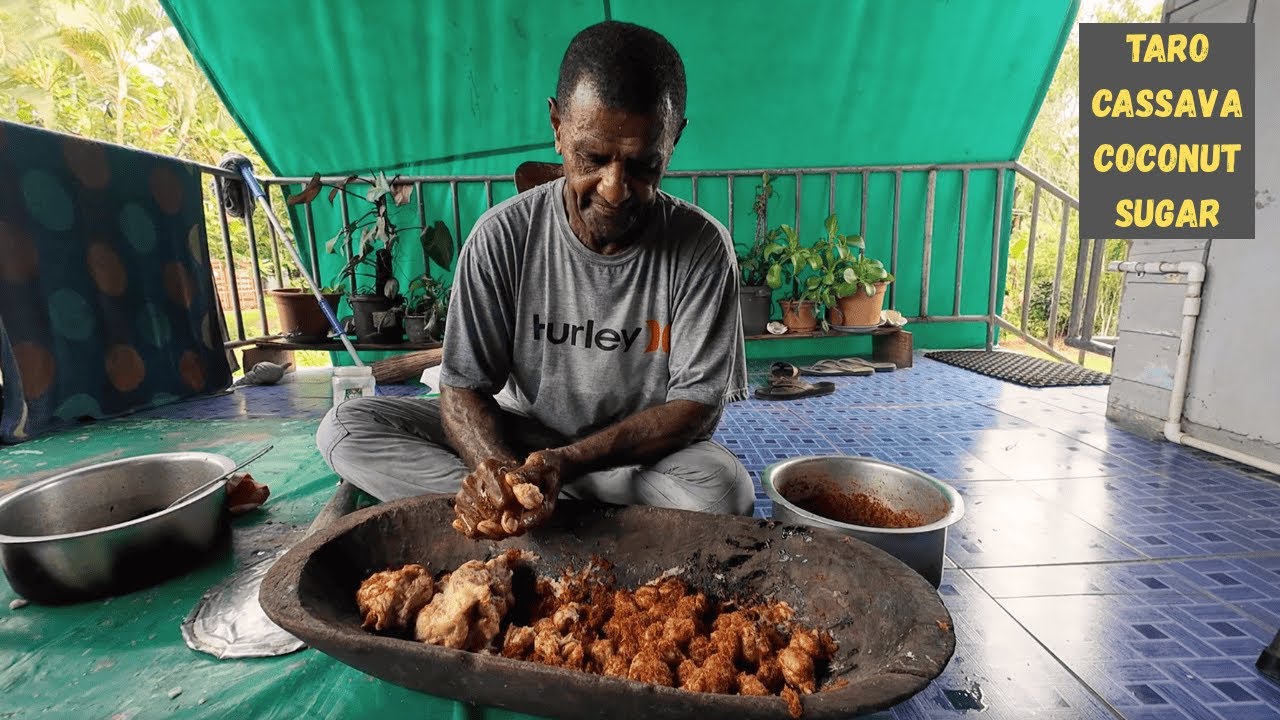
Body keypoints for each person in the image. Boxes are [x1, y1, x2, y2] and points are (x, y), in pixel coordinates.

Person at [315, 20, 754, 539]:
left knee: (723, 491)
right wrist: (501, 476)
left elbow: (696, 410)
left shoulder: (702, 247)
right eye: (593, 158)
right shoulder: (502, 236)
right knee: (346, 429)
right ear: (557, 126)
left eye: (642, 165)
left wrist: (565, 464)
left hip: (633, 461)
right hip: (519, 442)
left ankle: (530, 523)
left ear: (674, 138)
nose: (614, 189)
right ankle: (544, 517)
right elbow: (461, 391)